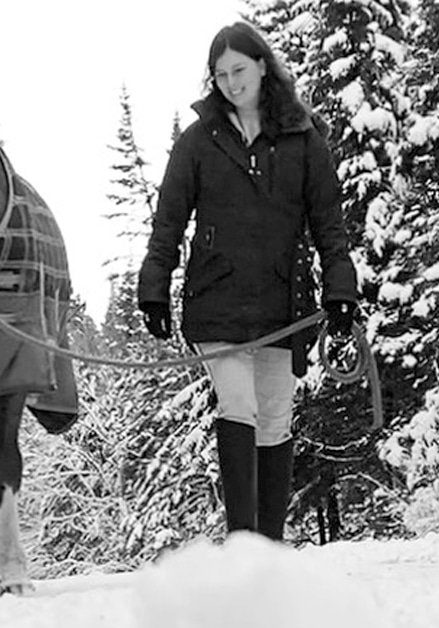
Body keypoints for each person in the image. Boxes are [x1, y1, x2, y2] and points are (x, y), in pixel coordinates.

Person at [137, 21, 359, 541]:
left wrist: (341, 292)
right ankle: (243, 545)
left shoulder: (305, 140)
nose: (231, 83)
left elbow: (329, 225)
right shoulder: (197, 142)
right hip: (217, 297)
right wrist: (154, 287)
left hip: (284, 300)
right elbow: (169, 219)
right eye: (220, 75)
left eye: (238, 70)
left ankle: (269, 549)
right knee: (238, 405)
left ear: (263, 66)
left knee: (276, 418)